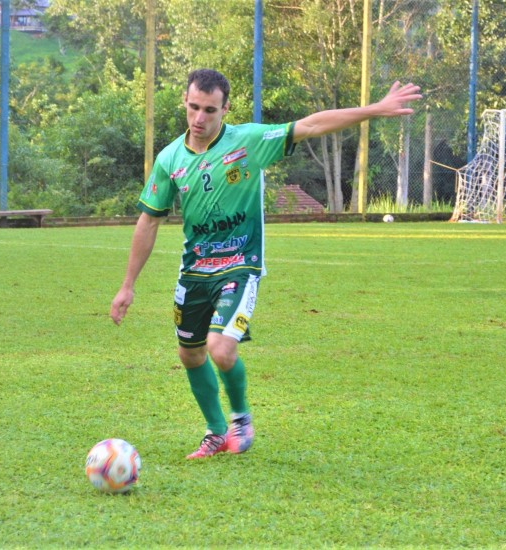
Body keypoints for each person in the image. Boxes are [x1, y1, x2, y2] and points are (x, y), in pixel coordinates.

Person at [110, 69, 421, 459]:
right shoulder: (170, 159)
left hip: (241, 264)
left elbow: (311, 125)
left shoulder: (249, 141)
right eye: (193, 108)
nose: (199, 119)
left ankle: (241, 419)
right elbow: (149, 221)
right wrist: (127, 285)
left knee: (221, 349)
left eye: (210, 110)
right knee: (189, 353)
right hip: (195, 270)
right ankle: (216, 431)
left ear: (226, 109)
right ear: (185, 103)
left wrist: (374, 109)